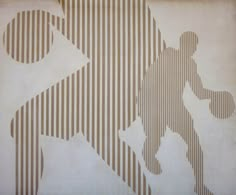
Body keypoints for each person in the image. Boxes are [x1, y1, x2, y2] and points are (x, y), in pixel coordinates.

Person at [138, 31, 235, 195]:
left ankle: (199, 186)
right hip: (156, 103)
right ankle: (149, 153)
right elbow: (149, 79)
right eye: (192, 45)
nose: (194, 49)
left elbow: (199, 92)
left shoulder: (190, 65)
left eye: (195, 46)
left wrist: (216, 95)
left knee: (194, 144)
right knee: (155, 137)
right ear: (184, 43)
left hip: (175, 106)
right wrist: (148, 104)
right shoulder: (167, 55)